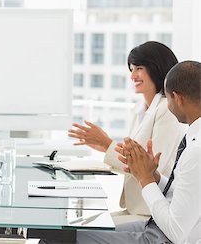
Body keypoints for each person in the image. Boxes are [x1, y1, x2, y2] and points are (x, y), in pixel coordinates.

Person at [72, 60, 200, 243]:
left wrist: (145, 179)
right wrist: (153, 176)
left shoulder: (196, 150)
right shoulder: (193, 138)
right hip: (156, 226)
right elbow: (183, 193)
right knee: (66, 234)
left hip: (165, 236)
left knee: (62, 238)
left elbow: (176, 232)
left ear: (177, 97)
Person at [68, 41, 185, 223]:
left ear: (157, 68)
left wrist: (107, 144)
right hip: (135, 207)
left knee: (77, 231)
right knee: (76, 225)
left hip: (151, 213)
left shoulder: (166, 110)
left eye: (138, 68)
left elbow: (151, 165)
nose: (132, 76)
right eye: (131, 69)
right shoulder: (139, 110)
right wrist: (103, 147)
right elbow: (135, 157)